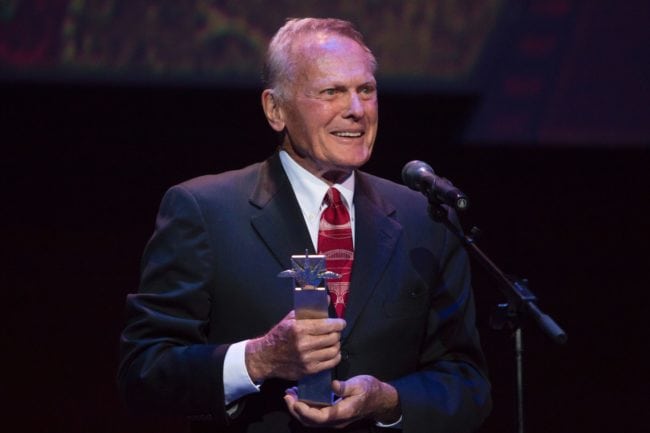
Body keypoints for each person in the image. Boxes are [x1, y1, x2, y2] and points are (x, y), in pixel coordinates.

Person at [118, 17, 491, 433]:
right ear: (275, 110)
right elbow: (144, 372)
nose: (356, 110)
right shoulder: (204, 211)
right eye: (331, 92)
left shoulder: (425, 219)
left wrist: (388, 401)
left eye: (366, 90)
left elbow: (466, 382)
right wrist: (258, 359)